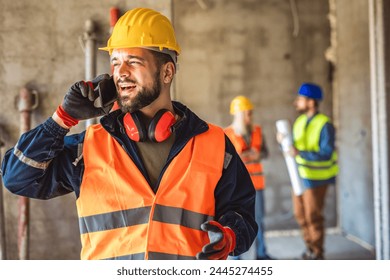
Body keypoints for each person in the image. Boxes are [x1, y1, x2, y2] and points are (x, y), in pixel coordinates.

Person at [0, 8, 257, 260]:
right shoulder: (89, 148)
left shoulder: (213, 144)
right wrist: (62, 118)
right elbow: (16, 178)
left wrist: (229, 236)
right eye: (115, 62)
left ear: (167, 72)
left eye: (133, 62)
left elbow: (242, 213)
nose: (120, 72)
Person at [278, 83, 338, 260]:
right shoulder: (300, 122)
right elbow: (292, 148)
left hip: (317, 178)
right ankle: (310, 249)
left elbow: (326, 154)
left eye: (300, 99)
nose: (296, 102)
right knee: (300, 215)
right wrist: (282, 141)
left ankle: (317, 253)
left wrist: (300, 152)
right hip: (300, 177)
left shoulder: (325, 125)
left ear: (311, 102)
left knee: (313, 216)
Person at [224, 96, 272, 260]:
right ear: (237, 114)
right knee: (234, 222)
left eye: (250, 113)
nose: (249, 117)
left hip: (257, 185)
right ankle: (235, 258)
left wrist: (258, 155)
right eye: (246, 114)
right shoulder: (226, 134)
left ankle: (261, 254)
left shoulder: (257, 131)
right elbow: (221, 160)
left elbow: (266, 152)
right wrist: (238, 158)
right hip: (235, 187)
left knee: (259, 220)